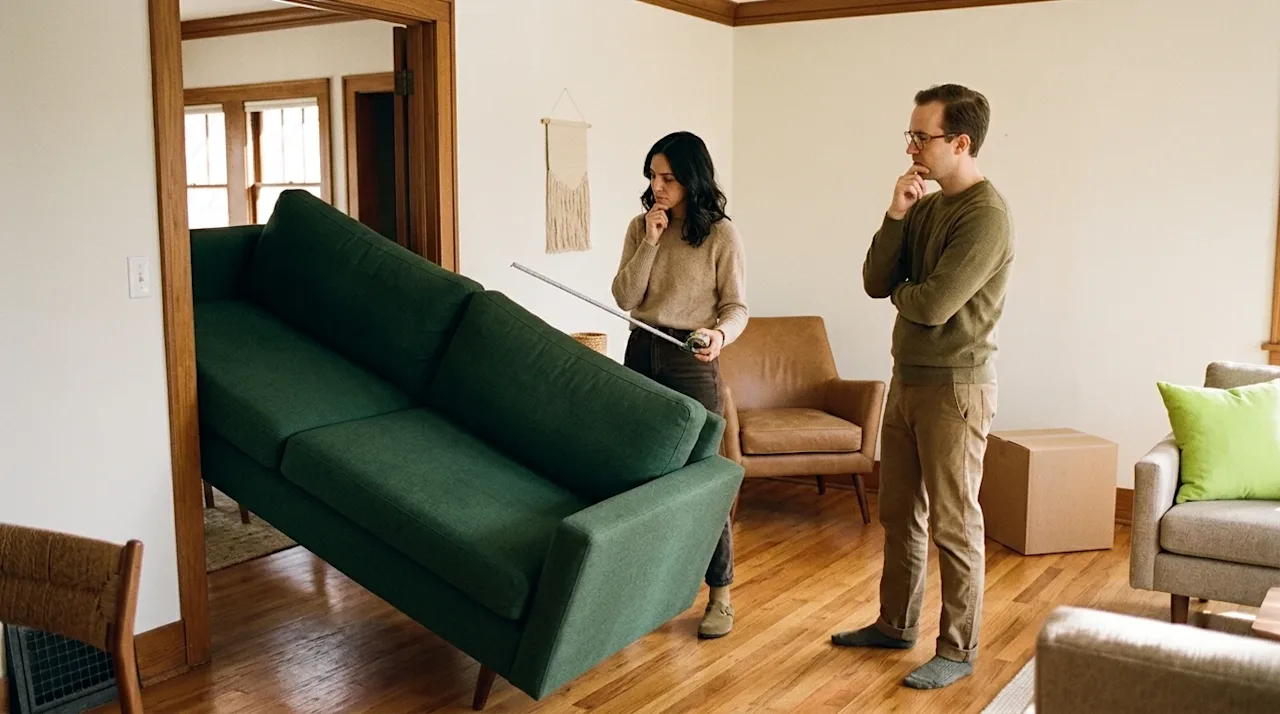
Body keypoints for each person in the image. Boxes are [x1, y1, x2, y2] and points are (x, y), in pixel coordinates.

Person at [831, 84, 1013, 689]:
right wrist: (896, 213)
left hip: (956, 391)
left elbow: (932, 304)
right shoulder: (927, 206)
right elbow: (875, 281)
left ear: (960, 143)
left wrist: (907, 296)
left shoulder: (987, 215)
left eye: (921, 136)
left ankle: (957, 650)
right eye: (909, 134)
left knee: (954, 523)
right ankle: (895, 624)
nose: (911, 146)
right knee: (898, 514)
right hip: (907, 380)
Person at [611, 130, 748, 639]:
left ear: (692, 178)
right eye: (652, 175)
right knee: (639, 472)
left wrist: (719, 333)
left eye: (668, 177)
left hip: (692, 359)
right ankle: (644, 588)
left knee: (704, 475)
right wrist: (649, 239)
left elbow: (737, 307)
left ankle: (720, 595)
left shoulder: (720, 235)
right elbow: (626, 296)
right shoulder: (641, 226)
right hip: (641, 351)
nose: (658, 185)